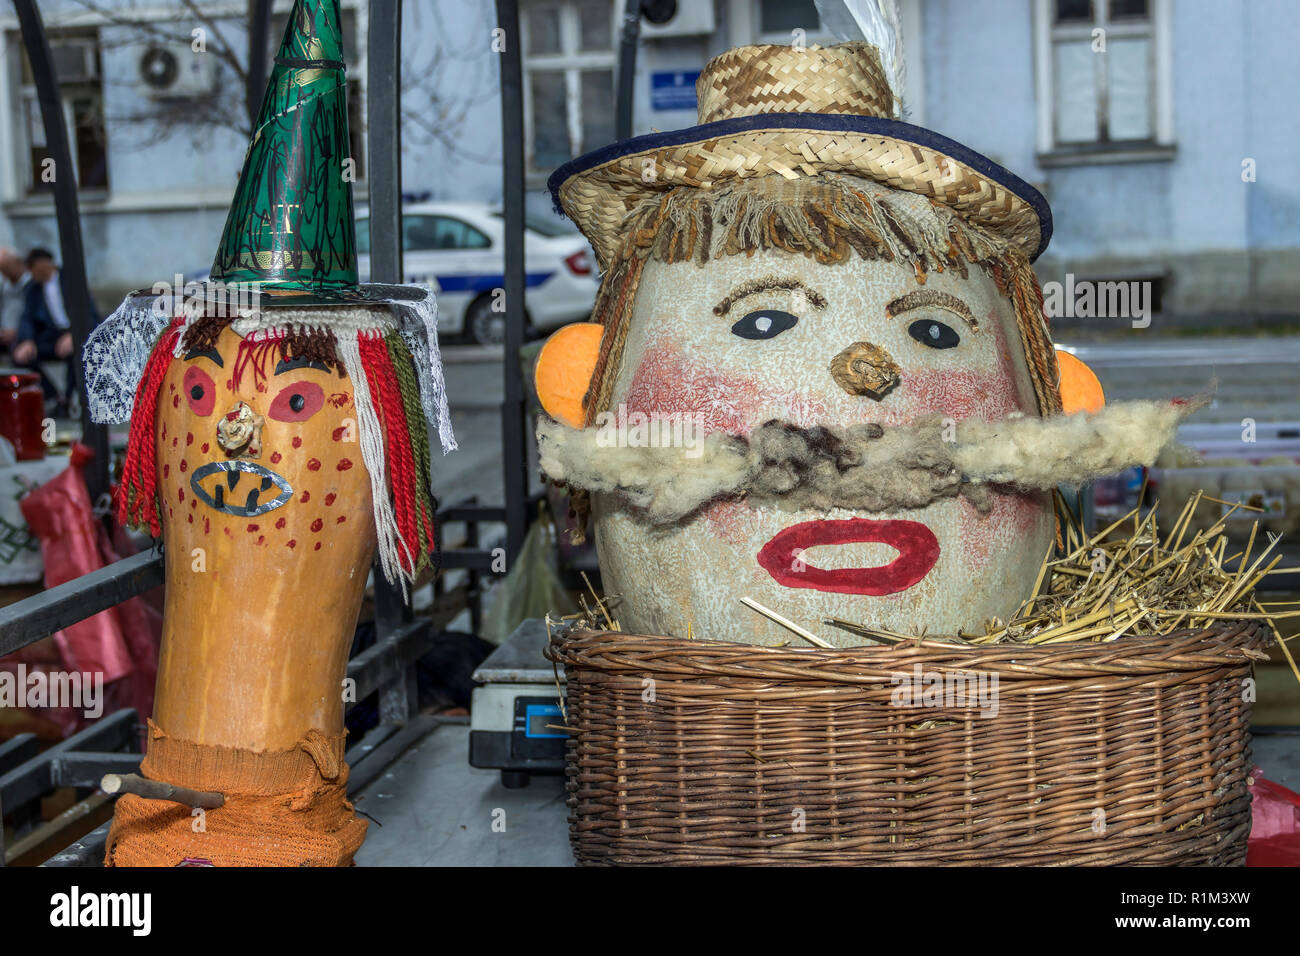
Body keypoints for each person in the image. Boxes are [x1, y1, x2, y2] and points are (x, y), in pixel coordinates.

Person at [12, 248, 86, 414]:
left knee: (78, 350)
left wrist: (74, 333)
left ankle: (69, 398)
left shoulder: (70, 280)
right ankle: (53, 396)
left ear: (43, 264)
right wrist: (27, 340)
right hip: (51, 336)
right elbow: (27, 318)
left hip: (75, 332)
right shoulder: (33, 289)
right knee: (20, 356)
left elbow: (87, 311)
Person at [0, 247, 29, 352]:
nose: (6, 273)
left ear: (18, 263)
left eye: (7, 267)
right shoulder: (4, 287)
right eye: (2, 270)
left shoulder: (31, 285)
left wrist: (18, 332)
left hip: (23, 335)